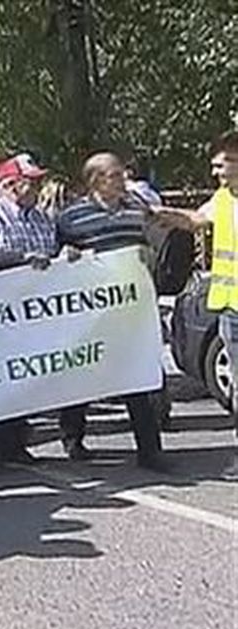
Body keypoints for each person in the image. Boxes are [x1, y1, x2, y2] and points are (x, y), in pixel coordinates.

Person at [55, 152, 176, 472]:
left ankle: (150, 451)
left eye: (123, 174)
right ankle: (73, 437)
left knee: (137, 377)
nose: (123, 180)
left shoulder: (137, 209)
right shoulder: (71, 217)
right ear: (96, 180)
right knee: (83, 373)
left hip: (130, 309)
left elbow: (152, 245)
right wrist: (67, 255)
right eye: (115, 175)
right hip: (90, 312)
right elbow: (58, 262)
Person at [149, 131, 238, 480]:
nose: (216, 172)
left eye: (222, 165)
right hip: (230, 309)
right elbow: (195, 220)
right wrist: (161, 214)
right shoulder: (222, 198)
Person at [0, 153, 67, 467]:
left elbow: (52, 255)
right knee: (0, 379)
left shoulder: (42, 218)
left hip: (34, 311)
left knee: (25, 379)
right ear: (11, 185)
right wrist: (21, 260)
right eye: (32, 181)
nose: (39, 186)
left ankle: (17, 443)